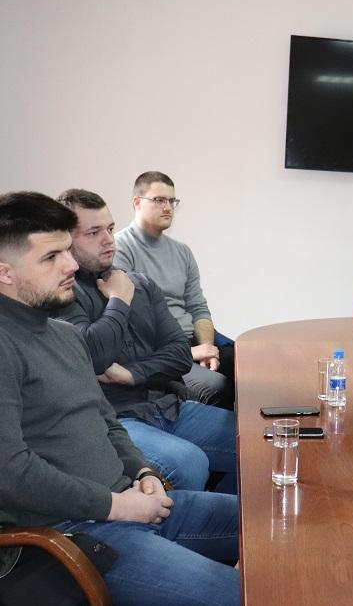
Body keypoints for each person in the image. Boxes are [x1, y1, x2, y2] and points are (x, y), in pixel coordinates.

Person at [0, 191, 238, 605]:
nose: (71, 265)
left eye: (67, 251)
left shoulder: (64, 336)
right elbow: (12, 474)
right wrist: (117, 506)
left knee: (282, 520)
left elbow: (106, 421)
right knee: (244, 595)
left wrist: (143, 471)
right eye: (52, 256)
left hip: (130, 502)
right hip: (75, 533)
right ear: (4, 272)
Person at [55, 189, 237, 493]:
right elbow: (95, 356)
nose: (108, 240)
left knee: (259, 442)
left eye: (110, 228)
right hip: (117, 420)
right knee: (189, 463)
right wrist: (119, 300)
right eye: (93, 232)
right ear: (65, 240)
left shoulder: (140, 283)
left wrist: (130, 374)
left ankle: (227, 516)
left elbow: (180, 355)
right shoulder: (62, 294)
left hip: (168, 406)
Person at [114, 171, 232, 407]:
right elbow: (135, 323)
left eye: (172, 201)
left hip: (192, 338)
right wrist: (189, 353)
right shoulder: (120, 248)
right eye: (159, 200)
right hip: (160, 347)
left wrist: (206, 348)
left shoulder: (182, 251)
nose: (168, 208)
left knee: (252, 366)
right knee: (218, 386)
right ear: (137, 202)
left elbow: (198, 307)